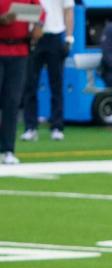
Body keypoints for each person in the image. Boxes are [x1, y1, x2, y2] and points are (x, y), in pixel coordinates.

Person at [21, 0, 73, 142]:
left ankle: (57, 126)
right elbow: (25, 9)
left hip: (55, 33)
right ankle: (30, 127)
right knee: (30, 84)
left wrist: (69, 37)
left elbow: (68, 10)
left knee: (56, 83)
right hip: (34, 35)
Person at [0, 0, 40, 164]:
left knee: (12, 101)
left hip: (19, 50)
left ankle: (7, 148)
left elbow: (39, 11)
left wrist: (39, 25)